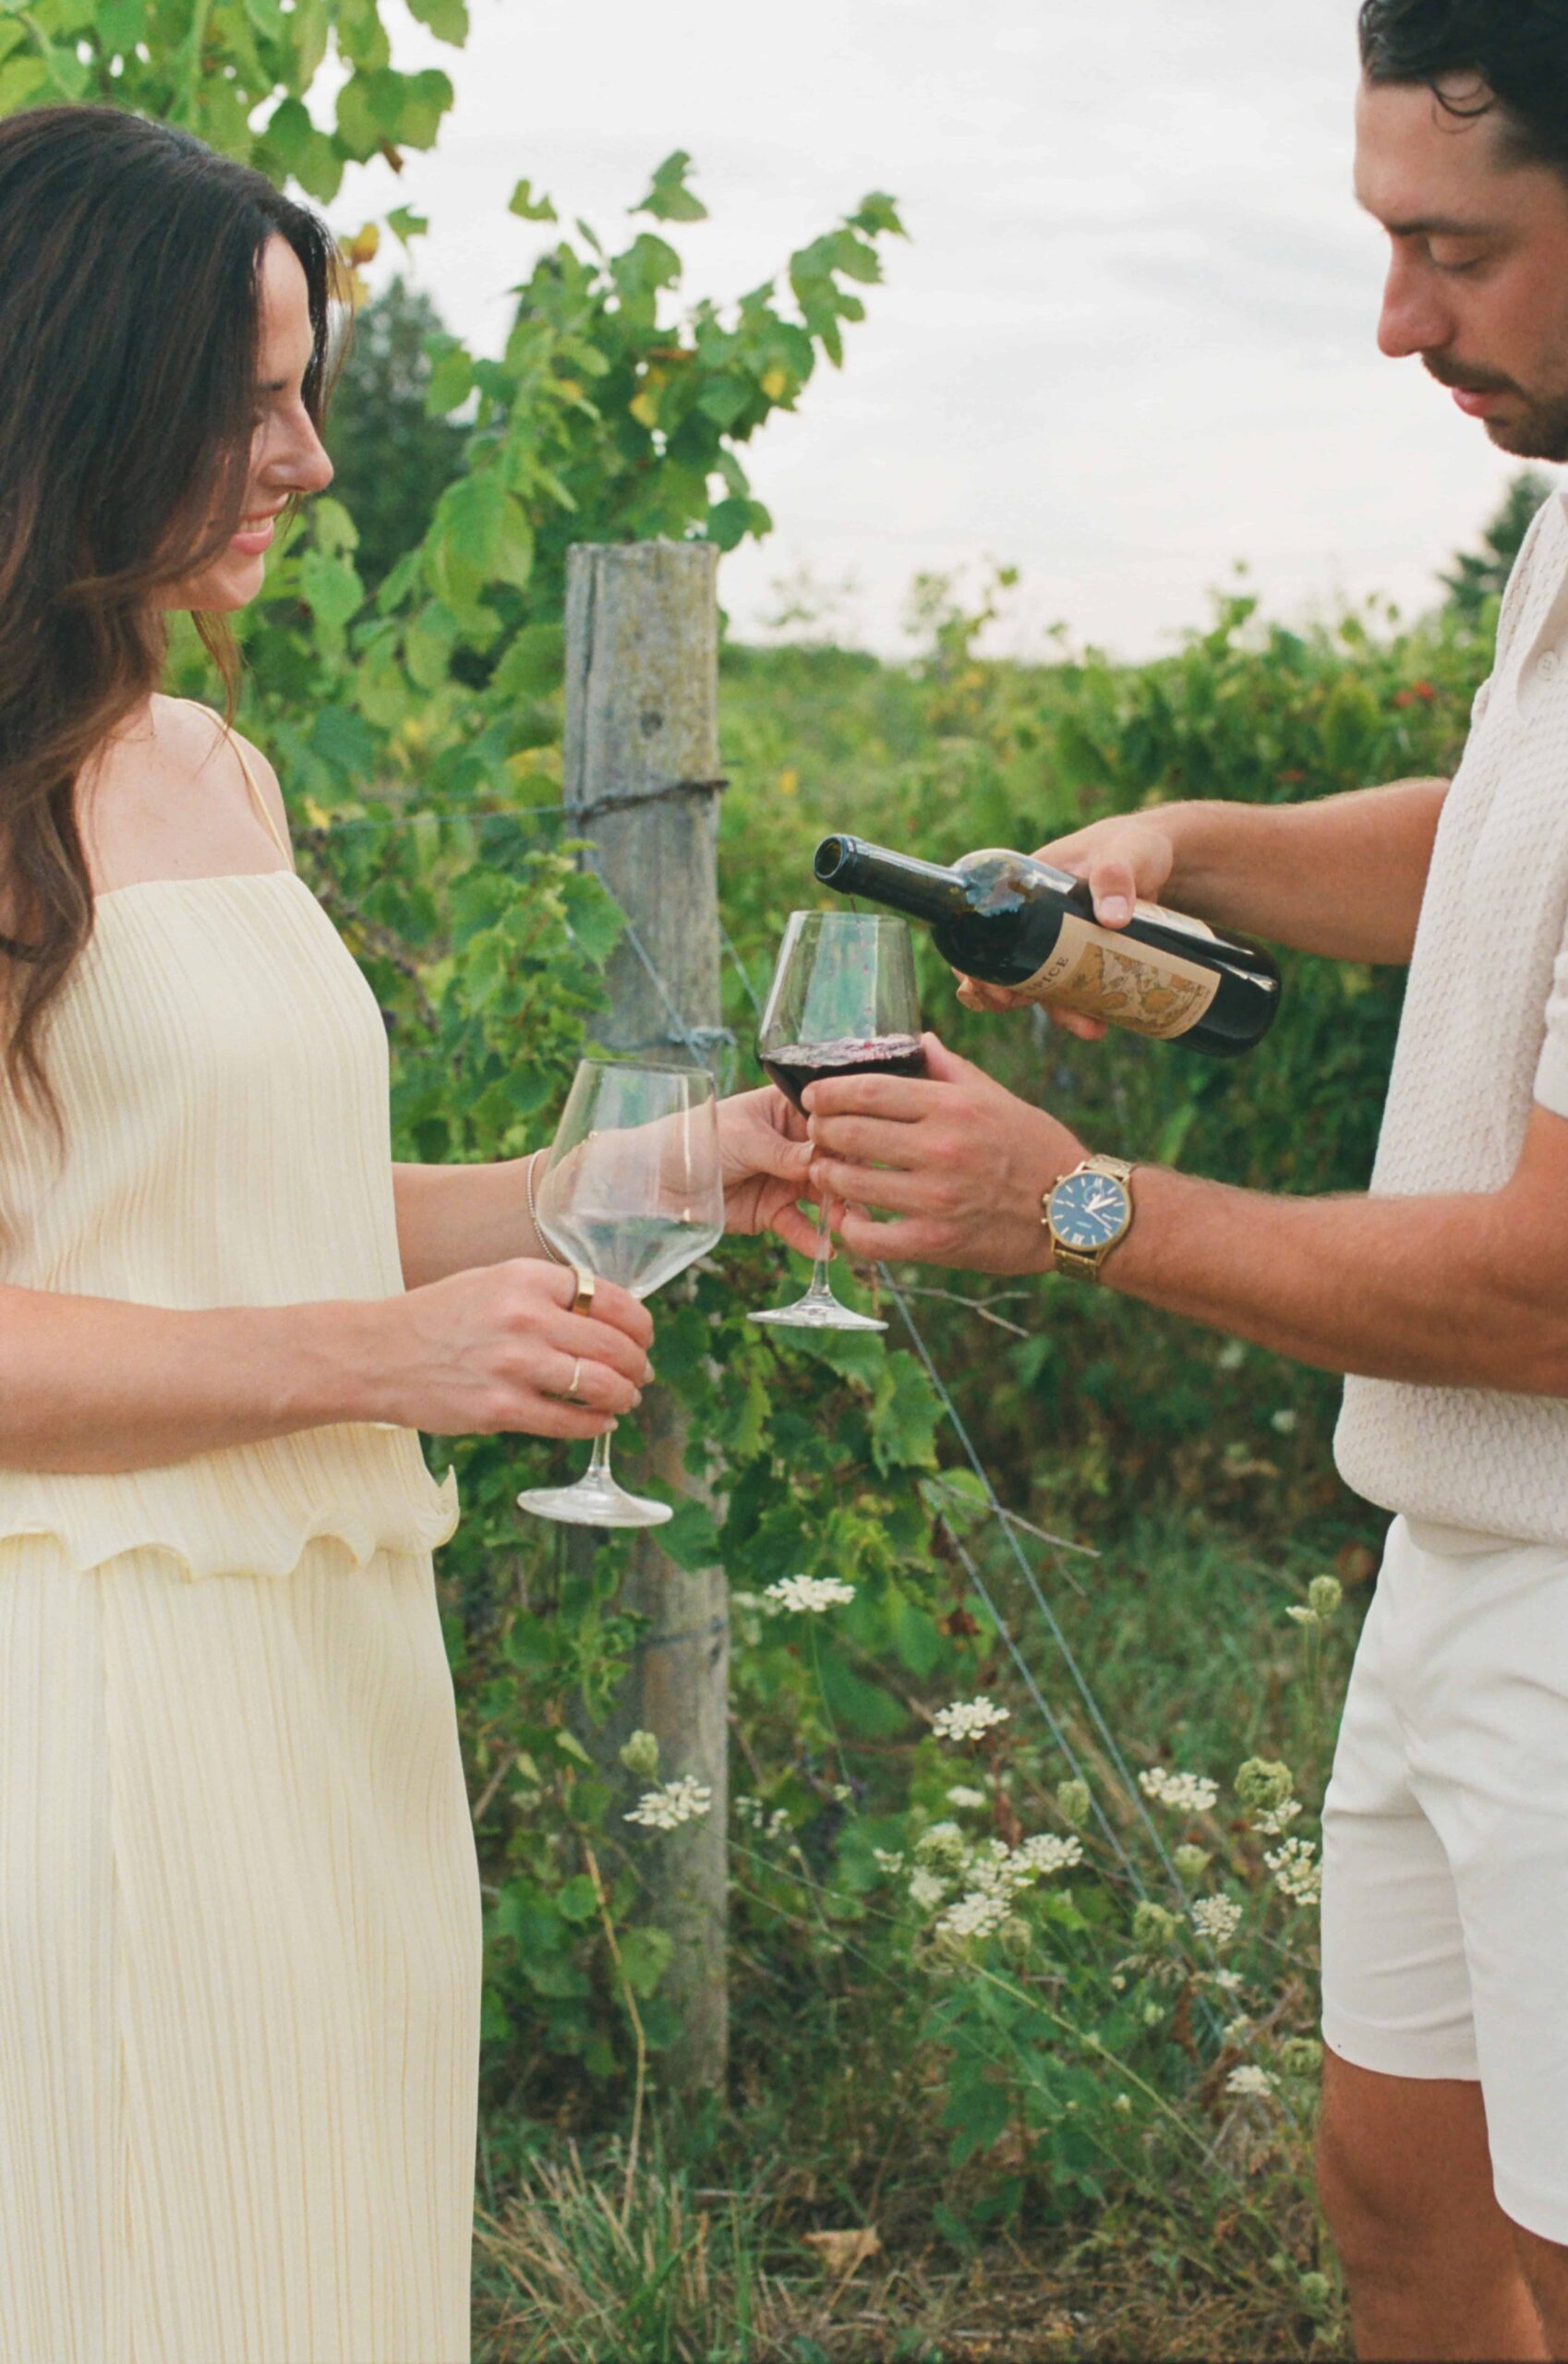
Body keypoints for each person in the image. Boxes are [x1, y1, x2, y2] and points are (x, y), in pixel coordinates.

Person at [0, 105, 813, 2364]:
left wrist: (640, 1176)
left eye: (306, 392)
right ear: (79, 387)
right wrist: (385, 1364)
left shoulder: (211, 768)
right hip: (82, 1702)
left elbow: (233, 1218)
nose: (311, 460)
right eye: (250, 398)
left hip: (328, 1672)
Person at [800, 6, 1568, 2357]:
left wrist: (1077, 1205)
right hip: (1460, 1550)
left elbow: (1554, 1293)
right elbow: (1503, 848)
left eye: (1460, 249)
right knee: (1403, 2205)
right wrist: (1189, 846)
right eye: (1381, 241)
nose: (1397, 320)